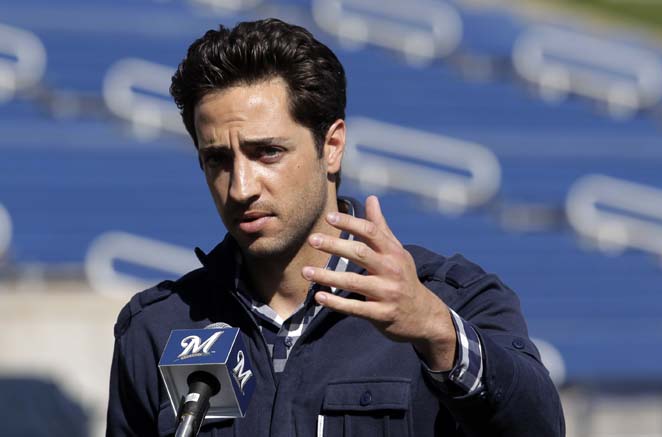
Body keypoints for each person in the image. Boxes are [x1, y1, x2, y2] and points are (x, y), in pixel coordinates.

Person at [106, 18, 564, 436]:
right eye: (218, 160)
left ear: (333, 147)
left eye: (268, 152)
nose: (241, 187)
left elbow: (540, 428)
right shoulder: (156, 329)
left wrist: (437, 332)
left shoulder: (453, 301)